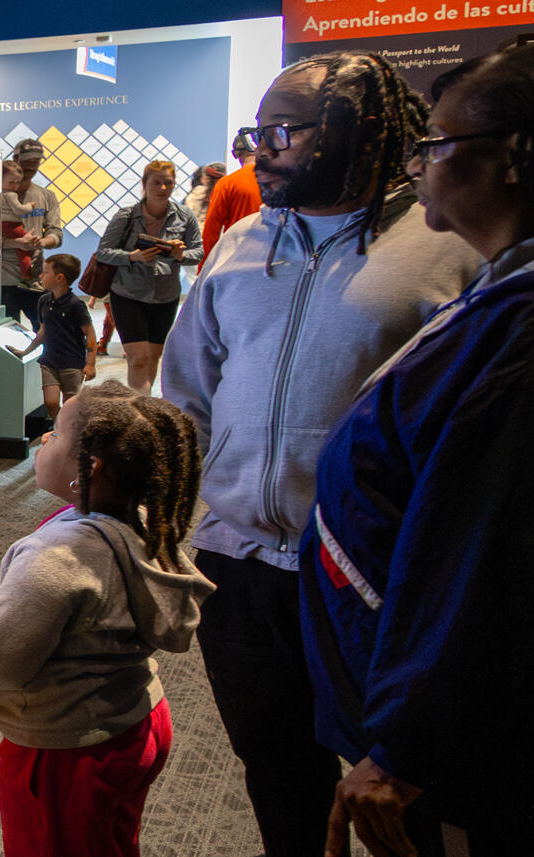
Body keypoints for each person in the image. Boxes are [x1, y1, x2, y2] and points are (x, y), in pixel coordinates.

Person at [159, 52, 482, 857]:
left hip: (378, 572)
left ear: (355, 133)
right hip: (238, 565)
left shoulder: (445, 247)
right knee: (276, 769)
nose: (260, 152)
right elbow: (186, 394)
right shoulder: (239, 244)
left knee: (410, 786)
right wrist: (164, 519)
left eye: (282, 133)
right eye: (255, 132)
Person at [300, 43, 534, 857]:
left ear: (514, 156)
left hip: (450, 747)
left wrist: (406, 744)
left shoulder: (520, 326)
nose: (421, 162)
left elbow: (478, 551)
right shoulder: (501, 293)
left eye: (438, 145)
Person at [0, 382, 213, 857]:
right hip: (136, 720)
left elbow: (2, 658)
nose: (43, 439)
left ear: (91, 467)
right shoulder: (130, 528)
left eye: (56, 434)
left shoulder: (54, 556)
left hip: (68, 750)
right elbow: (79, 614)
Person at [93, 160, 202, 392]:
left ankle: (143, 402)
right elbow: (103, 252)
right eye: (157, 183)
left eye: (168, 183)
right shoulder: (127, 216)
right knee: (139, 358)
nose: (163, 188)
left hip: (165, 296)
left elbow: (198, 252)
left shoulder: (185, 216)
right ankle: (140, 409)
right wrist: (132, 257)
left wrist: (179, 255)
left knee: (153, 358)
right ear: (145, 184)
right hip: (128, 293)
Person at [0, 140, 63, 329]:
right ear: (16, 158)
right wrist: (17, 243)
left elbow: (56, 233)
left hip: (35, 281)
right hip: (4, 280)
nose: (31, 166)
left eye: (36, 161)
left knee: (44, 332)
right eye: (27, 160)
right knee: (8, 336)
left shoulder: (46, 196)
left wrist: (42, 242)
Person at [9, 254, 96, 423]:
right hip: (49, 362)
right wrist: (25, 352)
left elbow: (90, 333)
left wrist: (90, 364)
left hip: (72, 363)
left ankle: (71, 434)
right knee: (50, 402)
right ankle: (60, 429)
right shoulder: (43, 301)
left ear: (60, 278)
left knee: (71, 404)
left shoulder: (76, 305)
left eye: (45, 273)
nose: (40, 276)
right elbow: (43, 332)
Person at [201, 132, 262, 268]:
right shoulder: (278, 181)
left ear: (237, 154)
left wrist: (203, 268)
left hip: (237, 258)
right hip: (271, 257)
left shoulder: (227, 184)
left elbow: (212, 231)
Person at [0, 159, 43, 282]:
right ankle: (27, 274)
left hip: (3, 226)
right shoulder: (11, 195)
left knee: (24, 246)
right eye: (11, 182)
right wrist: (30, 206)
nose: (15, 186)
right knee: (25, 247)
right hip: (11, 225)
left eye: (18, 182)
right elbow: (18, 209)